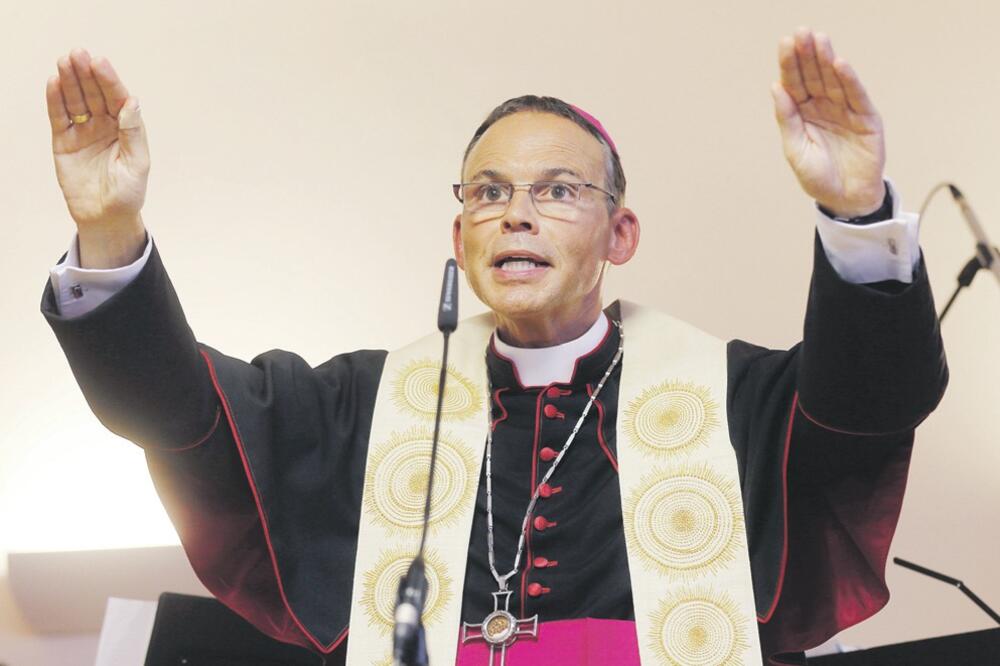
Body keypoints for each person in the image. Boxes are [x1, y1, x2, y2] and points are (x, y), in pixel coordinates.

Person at [41, 28, 946, 666]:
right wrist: (112, 229)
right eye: (488, 192)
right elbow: (177, 416)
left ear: (620, 235)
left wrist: (856, 214)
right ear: (460, 234)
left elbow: (876, 397)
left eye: (558, 191)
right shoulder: (366, 402)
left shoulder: (735, 394)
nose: (517, 211)